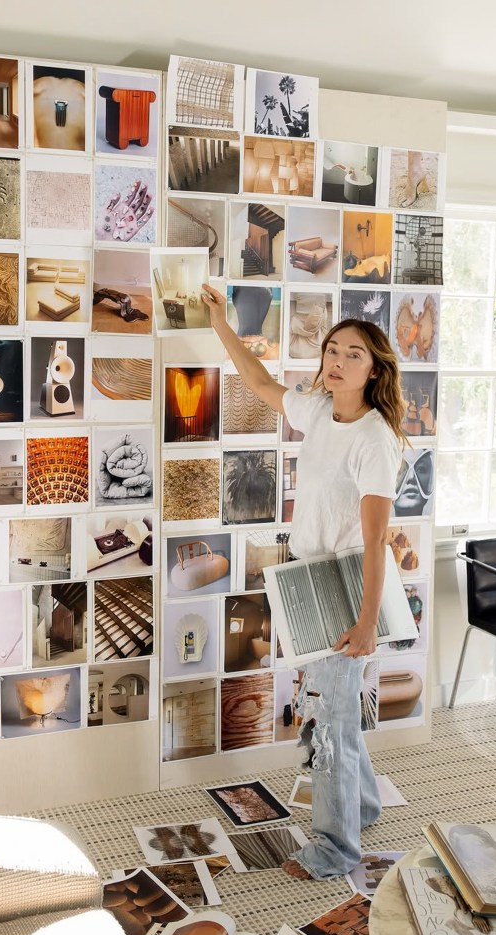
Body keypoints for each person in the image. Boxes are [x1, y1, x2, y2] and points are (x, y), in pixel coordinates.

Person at [202, 283, 406, 880]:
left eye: (353, 355)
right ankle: (362, 805)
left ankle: (333, 850)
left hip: (347, 584)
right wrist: (220, 326)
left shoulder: (375, 440)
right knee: (335, 710)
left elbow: (375, 540)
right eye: (332, 350)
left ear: (373, 371)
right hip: (307, 575)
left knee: (331, 722)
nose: (337, 361)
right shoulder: (319, 410)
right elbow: (261, 383)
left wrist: (366, 624)